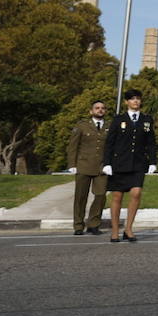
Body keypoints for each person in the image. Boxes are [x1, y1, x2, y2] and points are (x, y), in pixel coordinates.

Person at [102, 89, 158, 243]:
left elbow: (151, 143)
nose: (136, 101)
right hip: (119, 163)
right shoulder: (118, 119)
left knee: (136, 193)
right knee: (117, 197)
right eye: (132, 99)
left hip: (138, 163)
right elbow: (109, 143)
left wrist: (153, 161)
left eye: (138, 99)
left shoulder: (147, 119)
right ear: (126, 102)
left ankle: (128, 229)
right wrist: (107, 163)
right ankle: (115, 231)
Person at [65, 100, 109, 235]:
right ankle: (78, 226)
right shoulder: (82, 126)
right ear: (91, 111)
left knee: (101, 195)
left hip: (101, 167)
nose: (100, 110)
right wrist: (72, 164)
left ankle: (93, 224)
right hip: (83, 166)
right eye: (97, 108)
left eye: (102, 108)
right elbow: (73, 146)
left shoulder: (110, 126)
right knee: (80, 197)